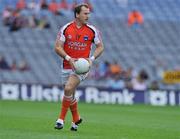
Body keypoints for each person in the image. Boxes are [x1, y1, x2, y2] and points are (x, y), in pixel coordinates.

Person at [54, 3, 104, 131]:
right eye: (85, 13)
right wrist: (69, 59)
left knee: (68, 88)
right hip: (66, 65)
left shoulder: (92, 30)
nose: (88, 15)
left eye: (88, 13)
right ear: (77, 14)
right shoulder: (66, 28)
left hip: (82, 67)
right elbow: (57, 47)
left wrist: (91, 59)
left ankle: (60, 120)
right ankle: (75, 120)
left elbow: (100, 47)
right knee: (70, 93)